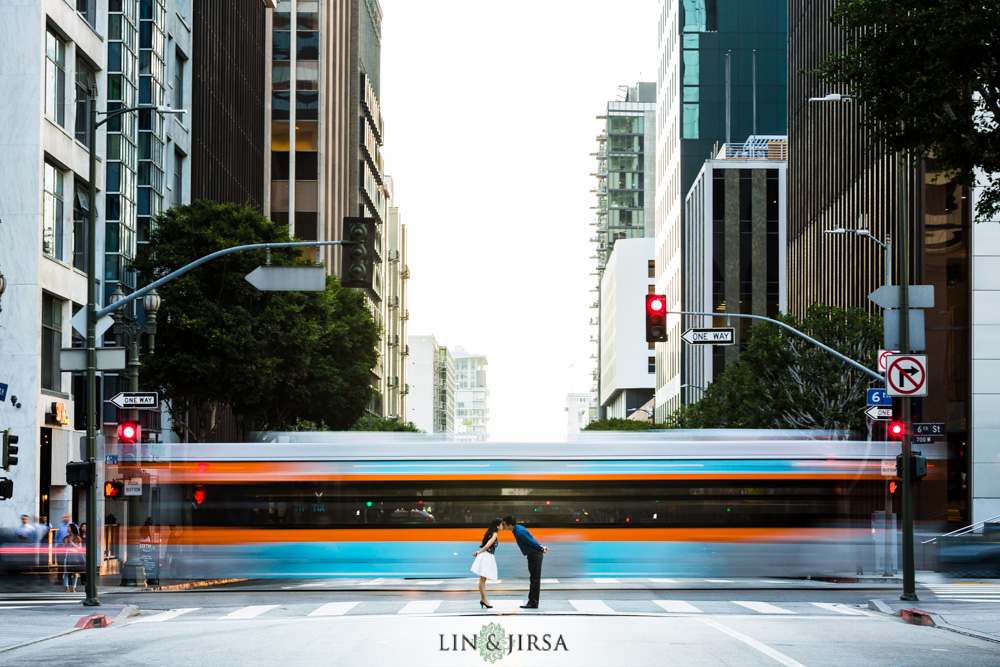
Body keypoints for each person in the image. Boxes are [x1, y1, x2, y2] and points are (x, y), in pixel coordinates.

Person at [502, 515, 548, 609]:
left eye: (504, 524)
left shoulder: (518, 531)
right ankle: (532, 602)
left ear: (510, 525)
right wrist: (540, 547)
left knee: (534, 579)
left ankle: (533, 603)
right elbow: (531, 540)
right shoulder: (517, 529)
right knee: (534, 579)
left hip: (534, 555)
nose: (503, 526)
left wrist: (541, 547)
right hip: (533, 554)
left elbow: (530, 541)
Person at [471, 518, 503, 608]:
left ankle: (484, 599)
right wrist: (479, 552)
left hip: (486, 556)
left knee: (482, 580)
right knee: (482, 580)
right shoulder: (494, 534)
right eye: (501, 524)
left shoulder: (491, 533)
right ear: (497, 526)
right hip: (486, 557)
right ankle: (484, 600)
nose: (503, 526)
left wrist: (479, 552)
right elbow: (486, 546)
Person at [62, 524, 84, 593]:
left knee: (75, 572)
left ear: (71, 528)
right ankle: (67, 587)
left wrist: (73, 544)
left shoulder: (78, 538)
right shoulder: (66, 537)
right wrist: (65, 544)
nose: (67, 528)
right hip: (67, 554)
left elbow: (80, 548)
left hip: (75, 555)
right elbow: (63, 548)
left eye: (68, 527)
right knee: (66, 572)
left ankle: (74, 587)